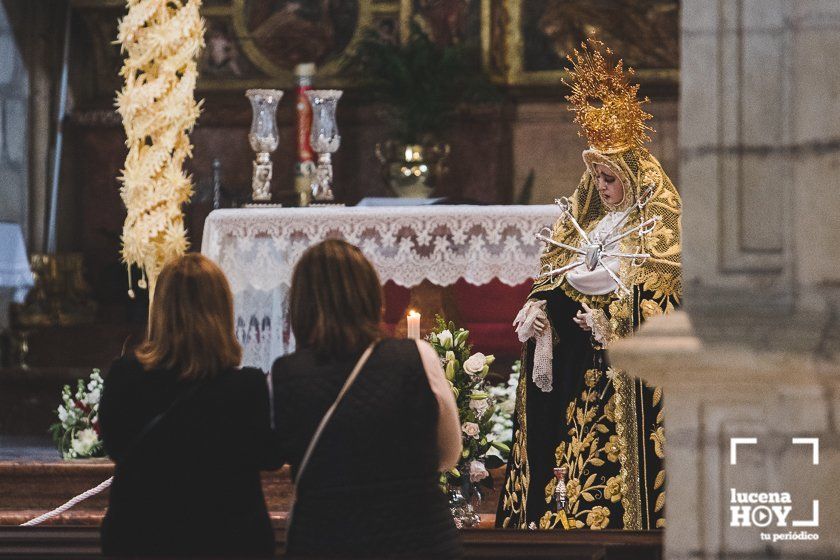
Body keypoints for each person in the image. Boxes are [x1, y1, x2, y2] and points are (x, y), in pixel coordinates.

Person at [496, 39, 681, 531]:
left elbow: (662, 301)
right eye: (597, 176)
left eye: (611, 178)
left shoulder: (656, 231)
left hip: (622, 371)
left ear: (634, 179)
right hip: (583, 365)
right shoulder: (589, 224)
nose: (601, 186)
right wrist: (539, 310)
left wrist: (613, 320)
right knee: (569, 450)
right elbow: (556, 278)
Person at [271, 239, 462, 558]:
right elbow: (450, 453)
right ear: (371, 295)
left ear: (301, 303)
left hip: (328, 541)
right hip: (417, 539)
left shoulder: (285, 374)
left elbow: (281, 452)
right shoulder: (416, 356)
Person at [99, 254, 279, 557]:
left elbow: (115, 446)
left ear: (160, 310)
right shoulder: (246, 387)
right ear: (222, 312)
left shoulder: (125, 377)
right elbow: (268, 456)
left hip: (142, 535)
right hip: (228, 539)